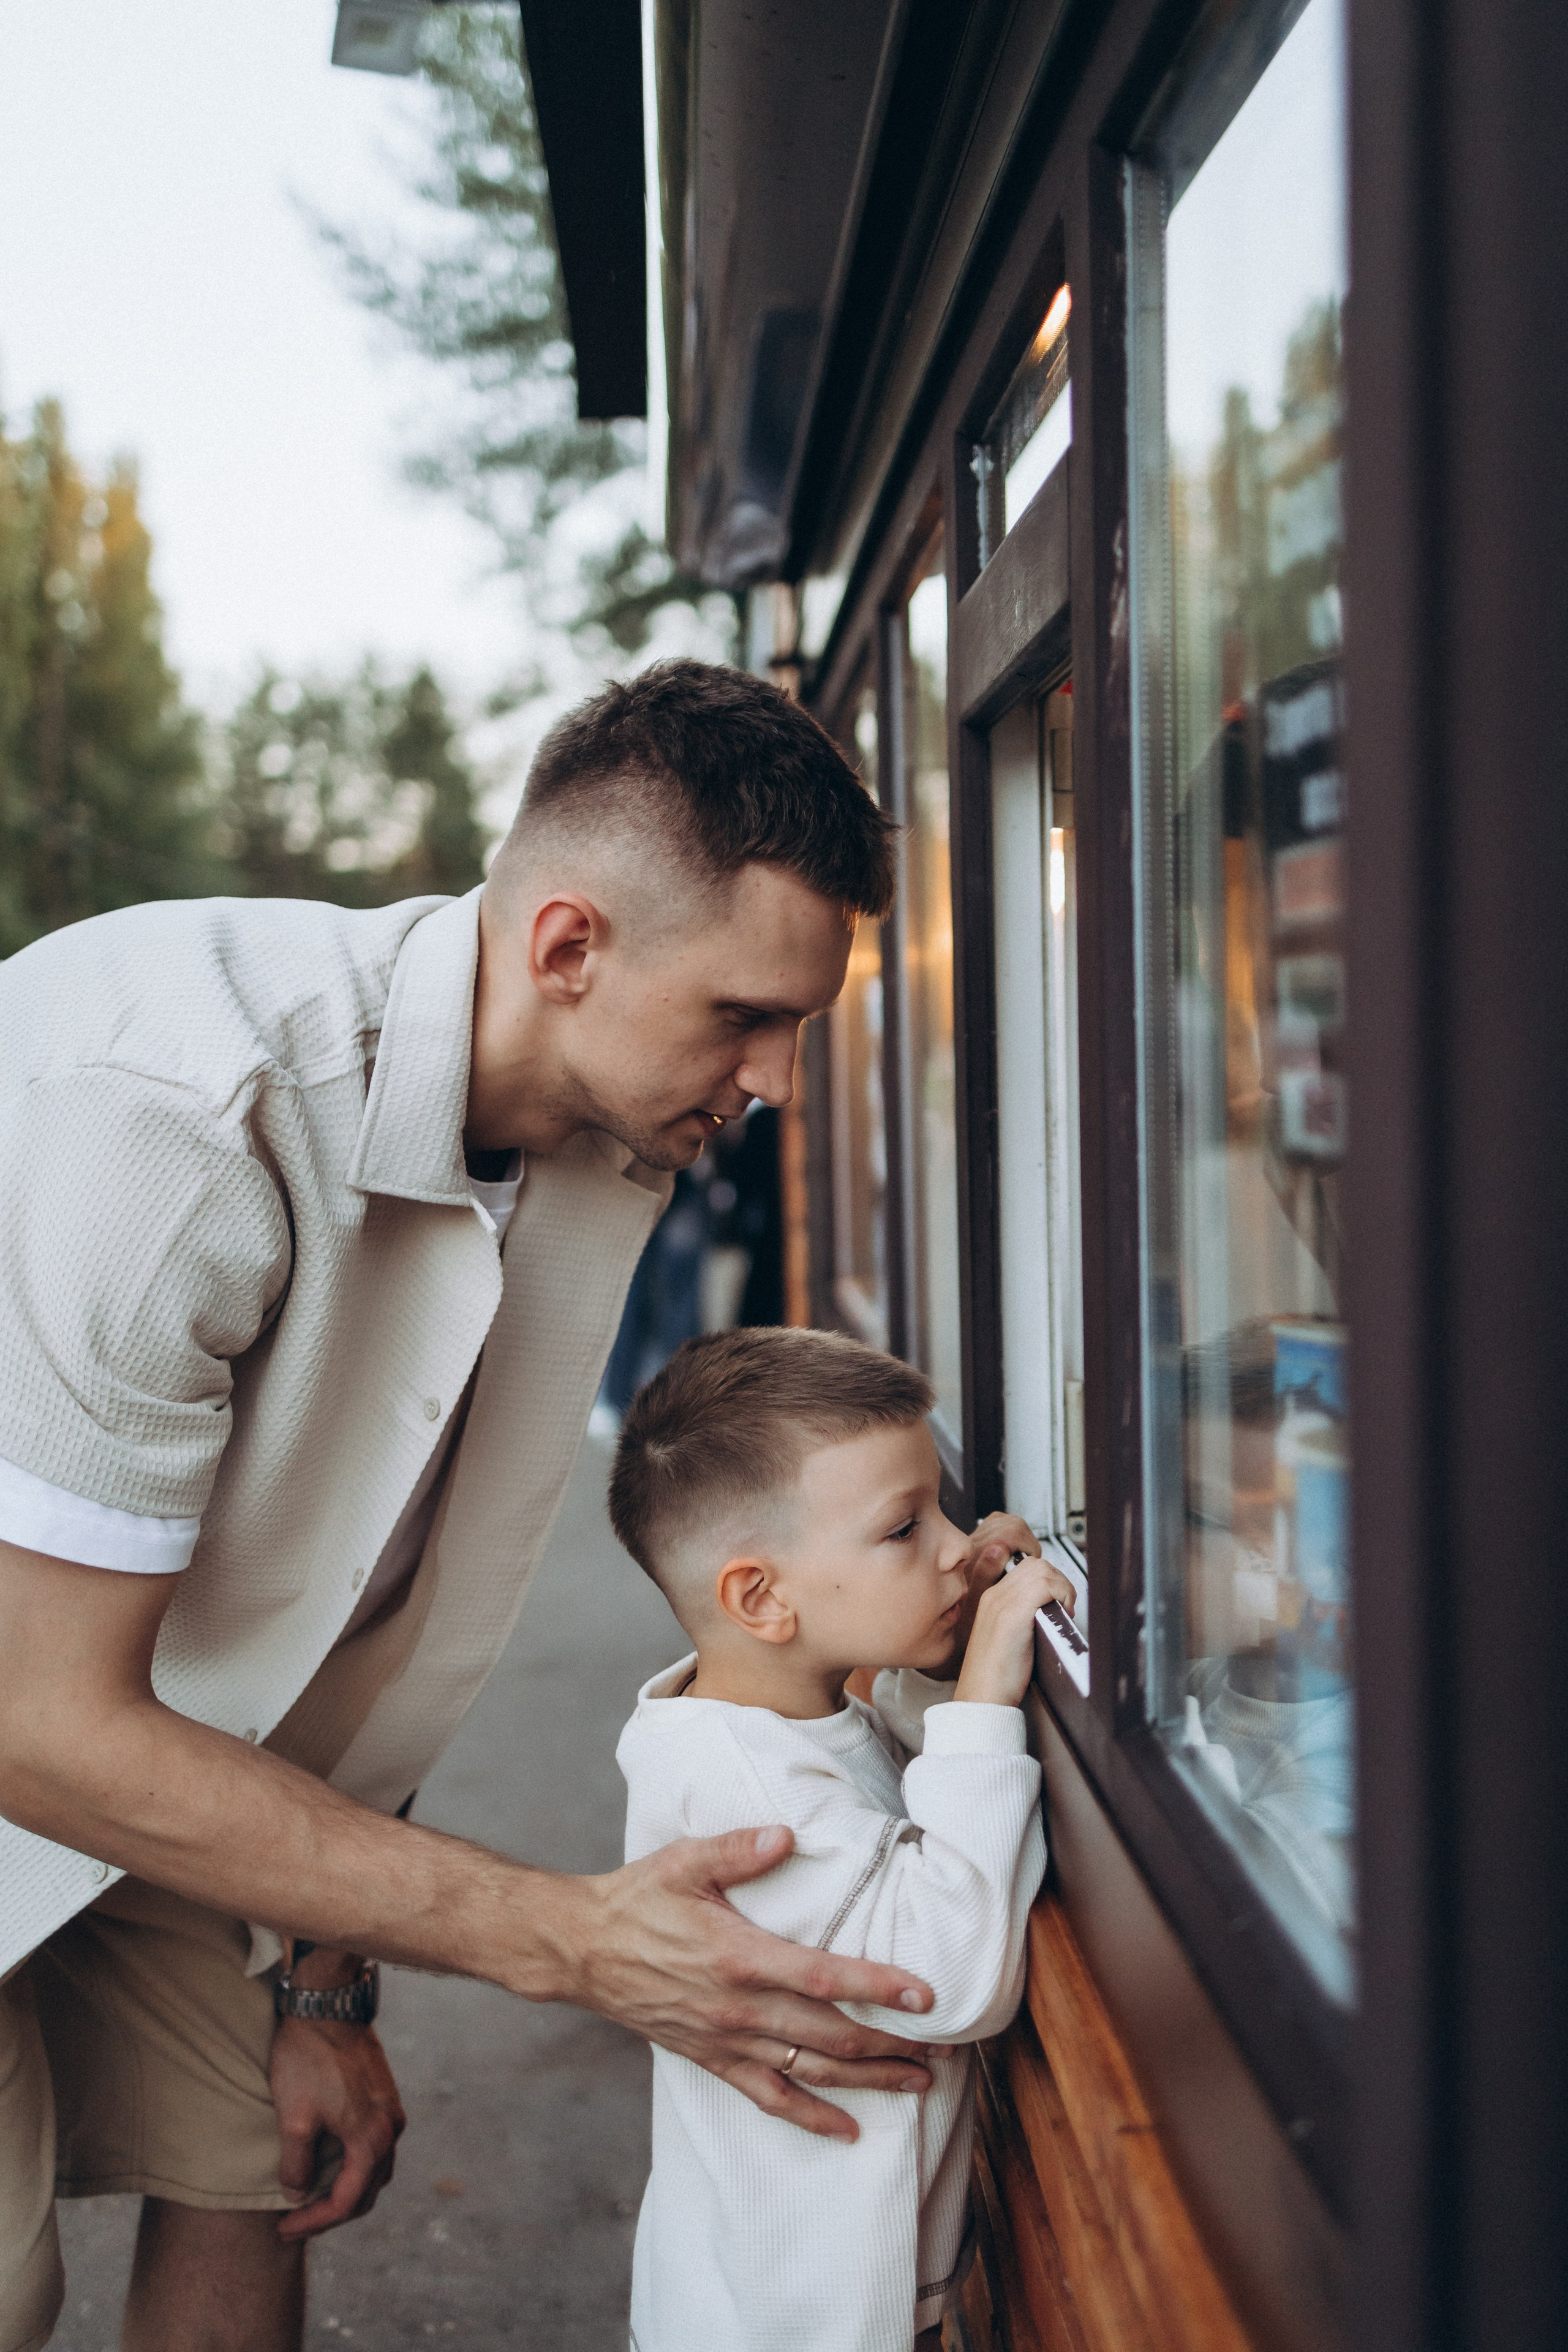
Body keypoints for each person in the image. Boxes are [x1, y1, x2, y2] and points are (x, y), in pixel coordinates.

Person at [0, 661, 975, 2352]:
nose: (780, 1083)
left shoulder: (591, 1138)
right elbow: (29, 1718)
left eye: (798, 1027)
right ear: (569, 947)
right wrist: (571, 1941)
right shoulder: (171, 1118)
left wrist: (318, 1977)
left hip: (147, 1696)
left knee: (261, 2151)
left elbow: (378, 1588)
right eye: (745, 1016)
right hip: (40, 1698)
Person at [609, 1326, 1074, 2352]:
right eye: (904, 1528)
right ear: (762, 1599)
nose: (954, 1544)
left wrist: (934, 1670)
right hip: (788, 2321)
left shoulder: (785, 1723)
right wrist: (987, 1695)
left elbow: (882, 1818)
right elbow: (946, 1976)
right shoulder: (745, 1789)